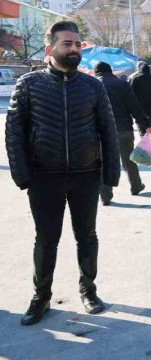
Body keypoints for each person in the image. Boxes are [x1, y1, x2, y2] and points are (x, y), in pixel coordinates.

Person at [6, 21, 120, 325]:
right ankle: (41, 296)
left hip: (86, 175)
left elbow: (107, 130)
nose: (73, 49)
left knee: (87, 236)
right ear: (50, 49)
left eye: (77, 44)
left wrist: (111, 174)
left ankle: (89, 290)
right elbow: (14, 131)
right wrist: (22, 174)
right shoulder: (29, 85)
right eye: (67, 44)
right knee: (46, 240)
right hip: (45, 177)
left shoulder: (92, 86)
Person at [94, 61, 151, 203]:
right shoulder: (122, 85)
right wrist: (145, 125)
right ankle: (136, 186)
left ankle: (105, 195)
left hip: (100, 131)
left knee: (105, 162)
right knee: (128, 159)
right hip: (123, 128)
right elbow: (134, 107)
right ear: (110, 70)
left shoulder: (92, 85)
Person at [130, 61, 151, 131]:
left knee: (141, 123)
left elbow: (131, 93)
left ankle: (143, 137)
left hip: (140, 106)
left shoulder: (136, 79)